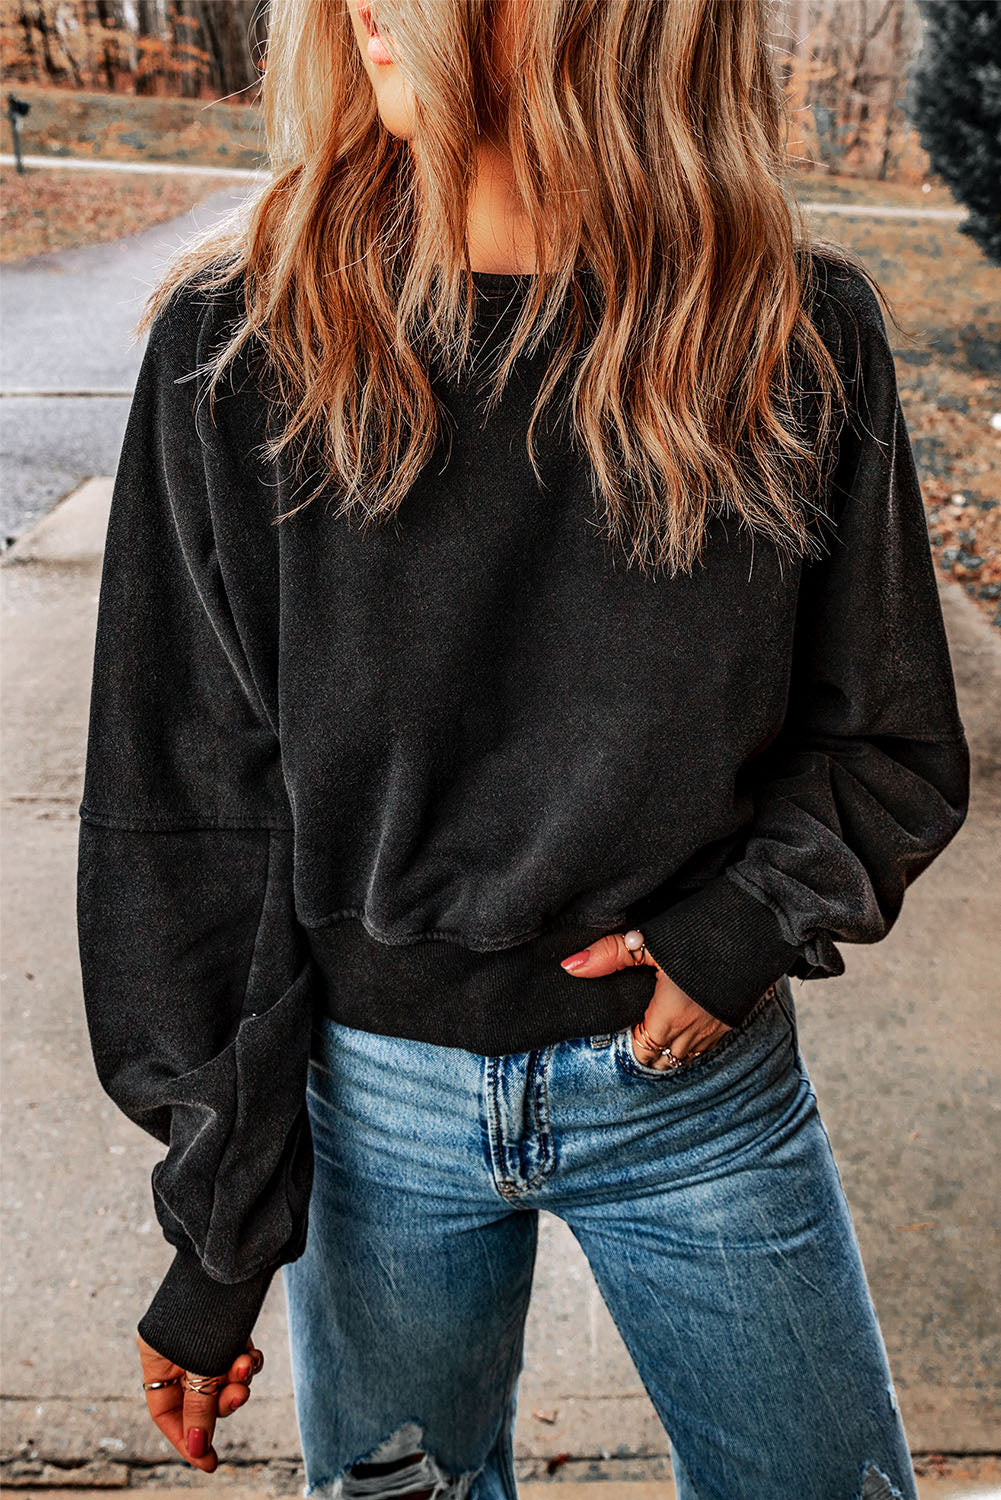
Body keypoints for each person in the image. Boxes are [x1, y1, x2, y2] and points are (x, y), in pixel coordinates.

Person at [75, 1, 971, 1496]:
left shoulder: (791, 335)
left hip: (697, 1094)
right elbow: (187, 820)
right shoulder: (241, 345)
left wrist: (739, 927)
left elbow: (884, 740)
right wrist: (218, 1226)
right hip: (372, 1109)